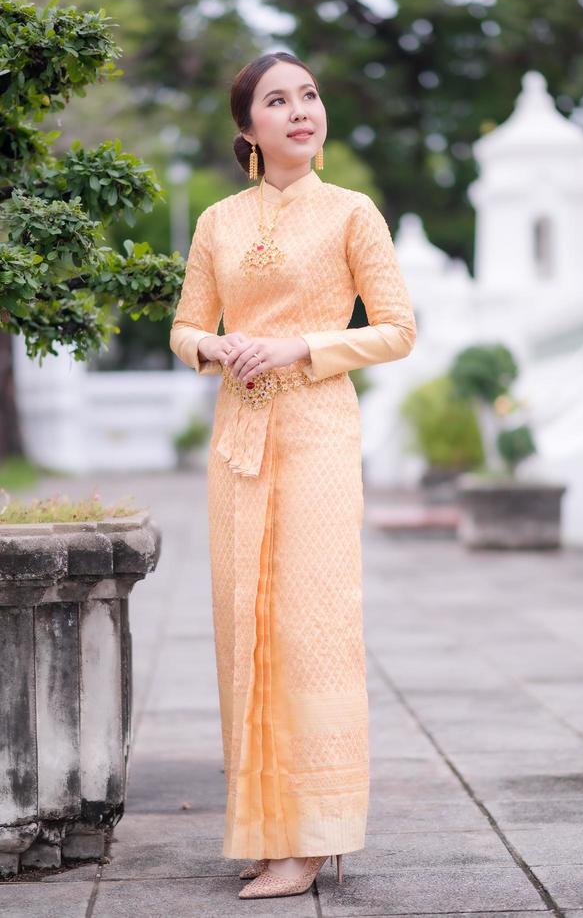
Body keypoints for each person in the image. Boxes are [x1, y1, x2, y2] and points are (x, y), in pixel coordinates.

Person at [169, 51, 417, 900]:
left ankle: (314, 837)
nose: (300, 110)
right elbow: (185, 328)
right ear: (249, 130)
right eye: (278, 100)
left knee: (312, 629)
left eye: (308, 95)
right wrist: (216, 347)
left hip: (315, 434)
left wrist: (301, 348)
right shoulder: (218, 222)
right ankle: (266, 829)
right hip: (239, 441)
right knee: (246, 626)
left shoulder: (353, 215)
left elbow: (396, 330)